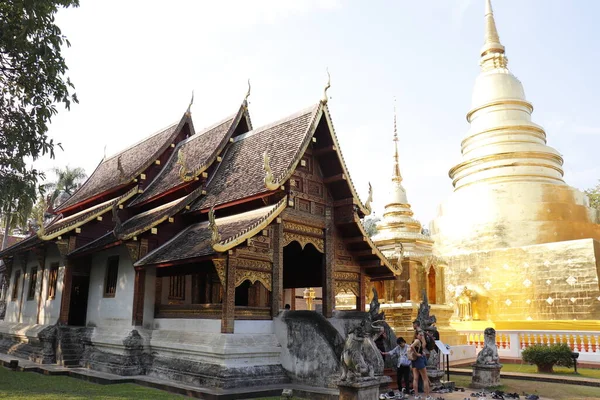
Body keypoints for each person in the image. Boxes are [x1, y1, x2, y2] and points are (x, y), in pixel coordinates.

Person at [410, 330, 431, 400]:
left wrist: (423, 338)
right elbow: (412, 346)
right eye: (420, 335)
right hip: (419, 360)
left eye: (422, 335)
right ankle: (427, 396)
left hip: (414, 360)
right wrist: (417, 354)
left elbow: (423, 346)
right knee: (425, 378)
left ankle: (416, 395)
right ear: (416, 335)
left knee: (415, 378)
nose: (421, 336)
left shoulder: (416, 341)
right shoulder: (417, 341)